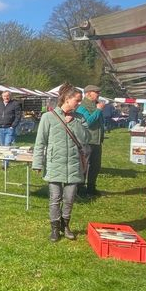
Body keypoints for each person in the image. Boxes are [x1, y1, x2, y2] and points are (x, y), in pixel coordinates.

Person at [33, 83, 90, 242]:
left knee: (69, 198)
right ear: (67, 98)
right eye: (77, 100)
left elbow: (85, 139)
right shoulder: (48, 117)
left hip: (73, 164)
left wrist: (74, 123)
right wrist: (37, 163)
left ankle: (66, 225)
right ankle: (55, 228)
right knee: (55, 198)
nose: (79, 104)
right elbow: (40, 142)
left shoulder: (80, 118)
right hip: (54, 164)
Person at [76, 85, 106, 196]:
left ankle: (91, 188)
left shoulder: (95, 105)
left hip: (97, 141)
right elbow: (88, 122)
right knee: (84, 165)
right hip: (87, 141)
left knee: (96, 166)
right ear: (88, 93)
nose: (98, 94)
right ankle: (80, 188)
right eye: (96, 92)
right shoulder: (83, 107)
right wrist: (98, 111)